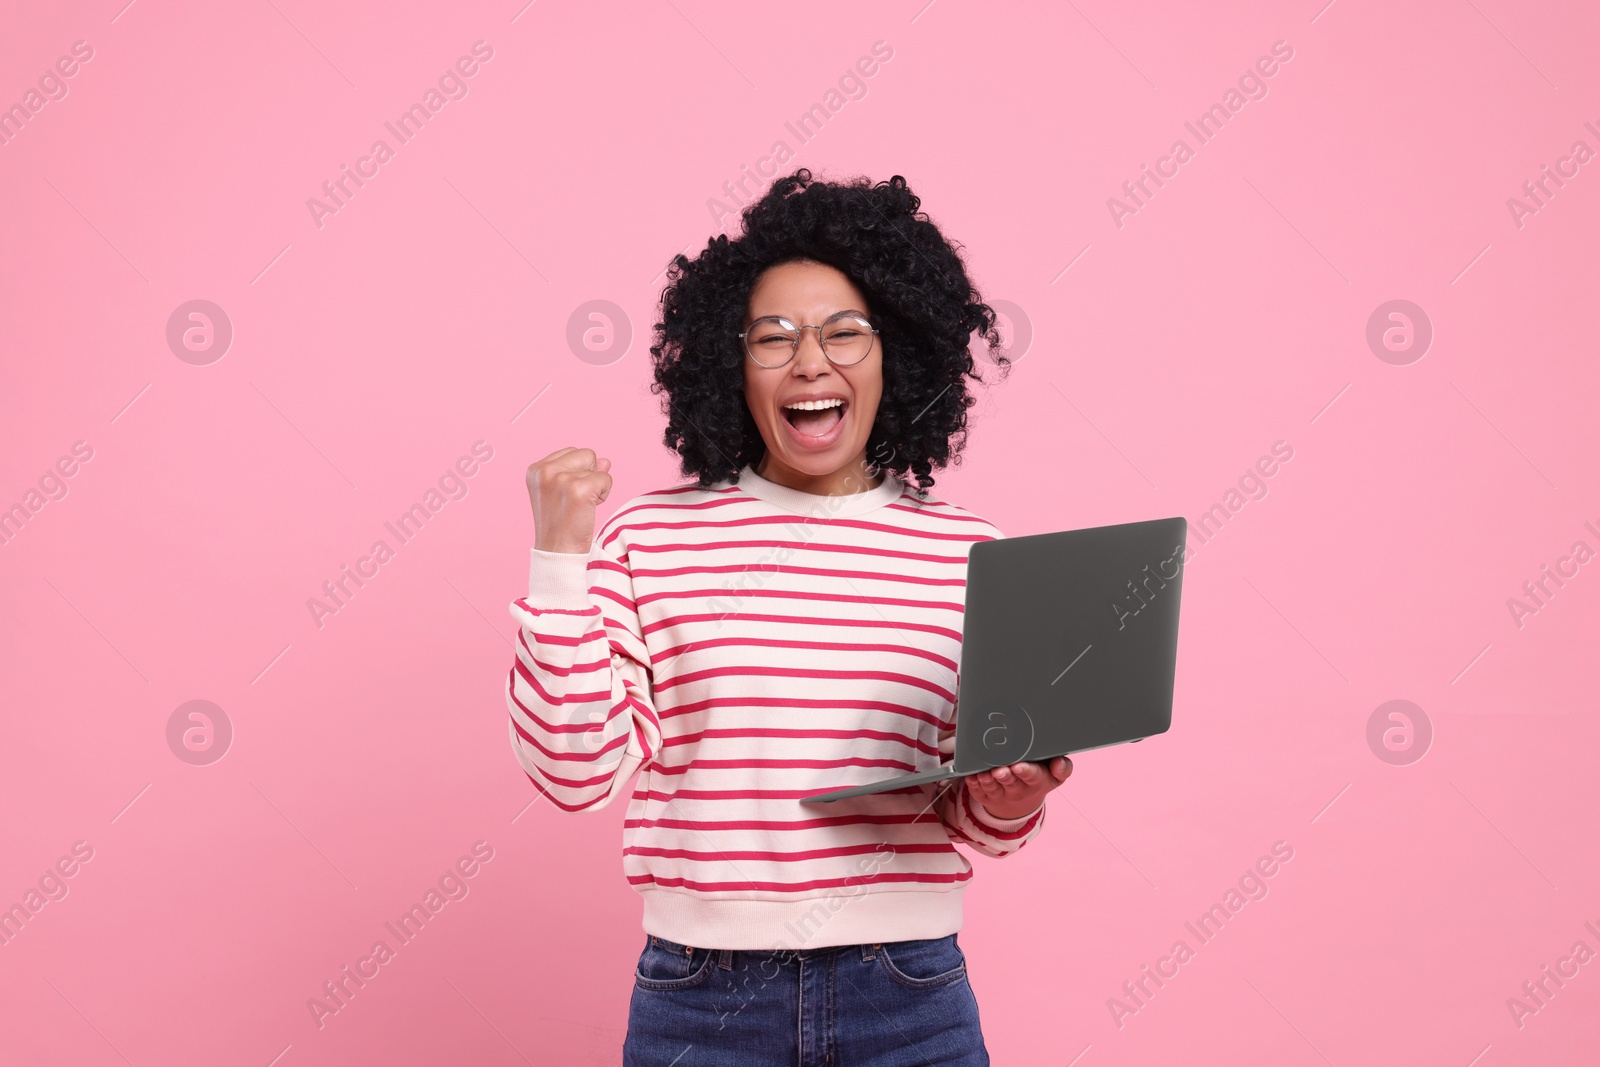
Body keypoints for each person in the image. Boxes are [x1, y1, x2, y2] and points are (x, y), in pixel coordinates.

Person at [508, 168, 1072, 1066]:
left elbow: (980, 820)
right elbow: (573, 773)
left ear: (900, 354)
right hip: (701, 999)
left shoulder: (973, 553)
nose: (812, 361)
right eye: (774, 338)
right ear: (732, 364)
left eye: (846, 332)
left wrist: (1018, 792)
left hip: (911, 993)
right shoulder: (649, 538)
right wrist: (558, 560)